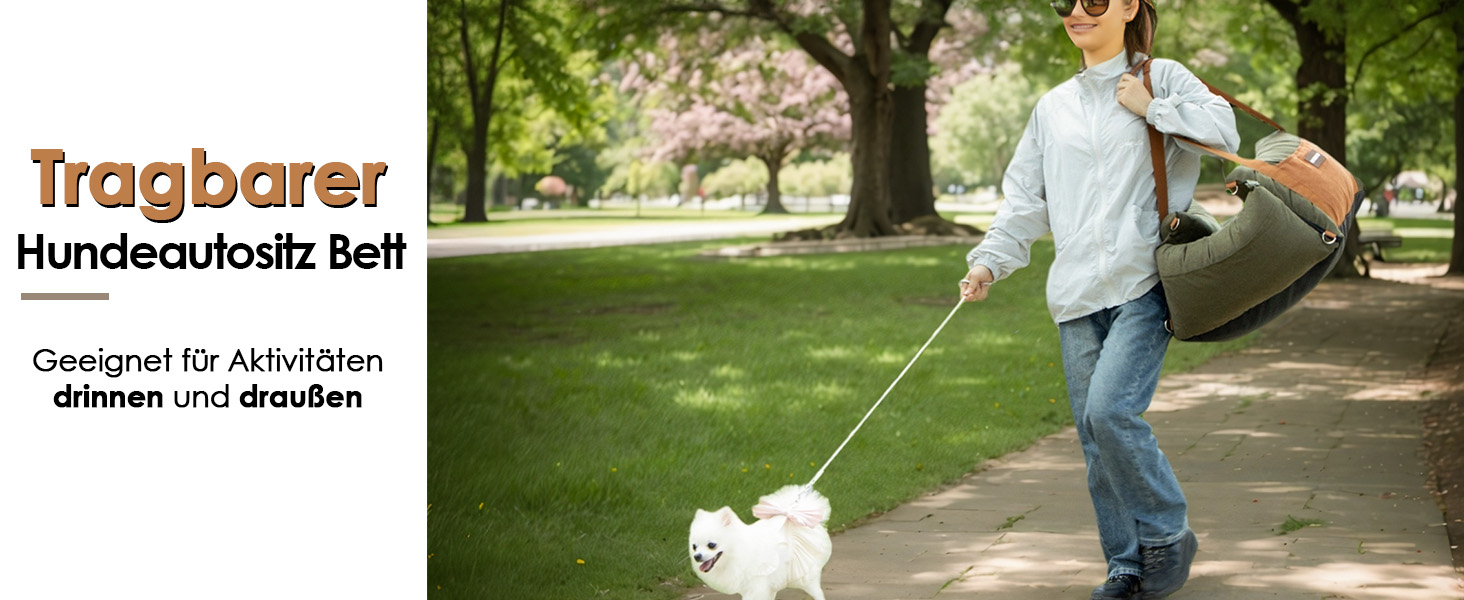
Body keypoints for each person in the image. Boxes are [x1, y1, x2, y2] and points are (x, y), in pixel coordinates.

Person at [957, 1, 1238, 598]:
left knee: (1111, 412)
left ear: (1129, 5)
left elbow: (1225, 134)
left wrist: (1151, 108)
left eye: (1094, 0)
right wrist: (988, 261)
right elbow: (1025, 200)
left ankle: (1167, 534)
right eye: (1066, 2)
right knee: (1093, 435)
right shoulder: (1052, 107)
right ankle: (1125, 565)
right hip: (1076, 291)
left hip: (1145, 281)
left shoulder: (1164, 77)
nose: (1077, 12)